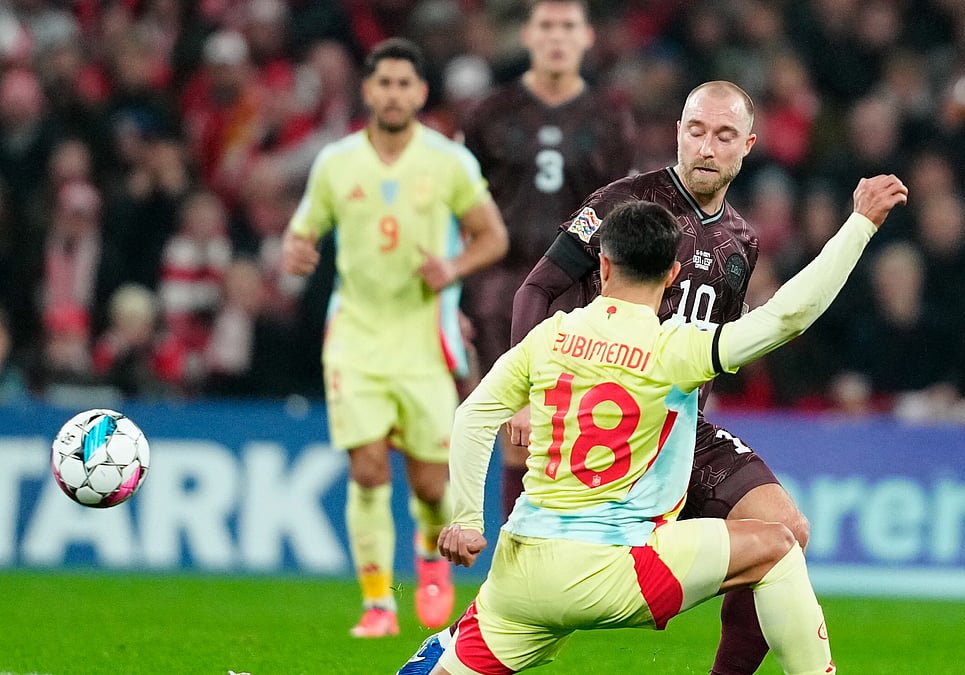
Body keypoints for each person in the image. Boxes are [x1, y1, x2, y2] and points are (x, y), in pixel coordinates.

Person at [398, 181, 907, 674]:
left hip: (520, 572)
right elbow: (787, 317)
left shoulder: (548, 336)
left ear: (602, 263)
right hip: (614, 569)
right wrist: (859, 224)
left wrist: (466, 520)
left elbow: (471, 418)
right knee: (777, 545)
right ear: (672, 274)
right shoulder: (674, 349)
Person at [507, 80, 806, 673]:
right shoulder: (625, 202)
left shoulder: (742, 243)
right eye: (696, 131)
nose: (706, 147)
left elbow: (721, 346)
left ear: (747, 146)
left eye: (723, 136)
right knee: (540, 605)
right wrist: (526, 395)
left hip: (679, 430)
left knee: (786, 530)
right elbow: (536, 289)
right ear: (678, 132)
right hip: (605, 423)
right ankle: (469, 638)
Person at [282, 37, 508, 638]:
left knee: (432, 484)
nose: (394, 94)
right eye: (384, 83)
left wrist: (453, 269)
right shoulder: (336, 163)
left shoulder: (448, 162)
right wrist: (297, 252)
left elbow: (493, 237)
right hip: (354, 337)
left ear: (421, 93)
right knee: (368, 470)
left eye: (405, 84)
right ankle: (378, 603)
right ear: (368, 90)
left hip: (424, 341)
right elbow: (299, 235)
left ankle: (431, 555)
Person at [458, 0, 636, 518]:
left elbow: (622, 212)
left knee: (579, 432)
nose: (557, 36)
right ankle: (515, 561)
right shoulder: (489, 114)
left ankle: (567, 555)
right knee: (519, 431)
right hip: (502, 292)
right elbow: (458, 207)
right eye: (547, 26)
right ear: (528, 37)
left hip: (581, 292)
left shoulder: (609, 119)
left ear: (586, 38)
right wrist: (455, 300)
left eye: (568, 26)